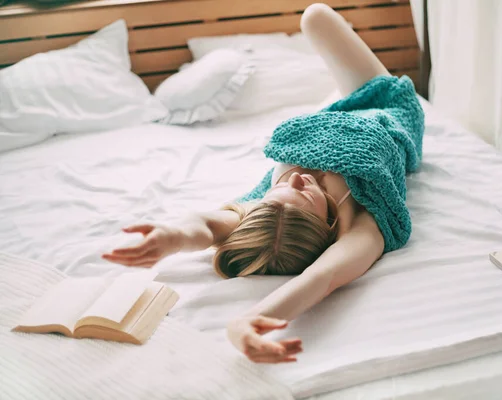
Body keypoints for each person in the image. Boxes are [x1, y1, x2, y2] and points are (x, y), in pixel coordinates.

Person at [103, 3, 423, 364]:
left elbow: (206, 225)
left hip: (332, 115)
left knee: (313, 17)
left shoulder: (267, 214)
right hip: (386, 110)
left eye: (283, 188)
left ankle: (334, 94)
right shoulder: (360, 224)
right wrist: (250, 319)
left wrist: (172, 237)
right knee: (317, 17)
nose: (299, 179)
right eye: (305, 193)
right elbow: (324, 276)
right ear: (326, 224)